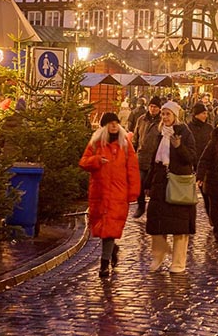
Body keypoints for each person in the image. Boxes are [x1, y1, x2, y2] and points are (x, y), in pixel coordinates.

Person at [79, 112, 140, 278]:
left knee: (110, 229)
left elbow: (132, 169)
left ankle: (103, 265)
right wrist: (96, 160)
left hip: (118, 192)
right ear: (105, 126)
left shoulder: (125, 144)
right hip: (100, 191)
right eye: (110, 123)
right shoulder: (96, 143)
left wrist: (134, 192)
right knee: (103, 229)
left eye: (116, 122)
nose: (114, 125)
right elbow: (83, 162)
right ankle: (112, 249)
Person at [145, 102, 197, 273]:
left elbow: (190, 157)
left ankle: (178, 263)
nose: (165, 117)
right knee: (157, 224)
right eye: (163, 114)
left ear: (175, 115)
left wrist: (178, 147)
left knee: (179, 227)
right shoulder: (161, 133)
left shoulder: (184, 133)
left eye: (168, 114)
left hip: (178, 184)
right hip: (160, 183)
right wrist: (147, 183)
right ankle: (158, 257)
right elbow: (155, 159)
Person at [132, 96, 163, 218]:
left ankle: (154, 210)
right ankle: (141, 205)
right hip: (141, 156)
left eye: (155, 107)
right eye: (151, 106)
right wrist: (133, 150)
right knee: (139, 183)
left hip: (155, 158)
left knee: (153, 185)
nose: (153, 109)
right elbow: (136, 137)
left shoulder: (162, 121)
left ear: (159, 108)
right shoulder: (142, 119)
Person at [187, 102, 214, 168]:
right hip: (192, 162)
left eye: (206, 113)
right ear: (196, 115)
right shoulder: (188, 128)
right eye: (203, 113)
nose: (206, 116)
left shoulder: (209, 128)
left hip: (206, 162)